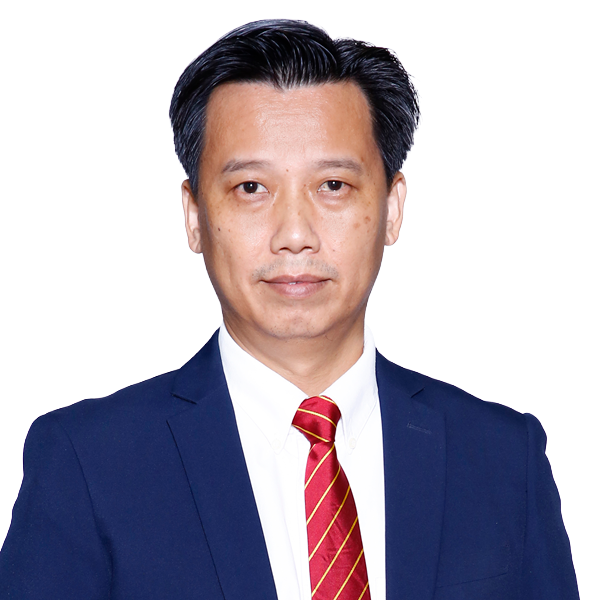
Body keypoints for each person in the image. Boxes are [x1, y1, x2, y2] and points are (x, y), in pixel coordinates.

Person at [0, 17, 578, 600]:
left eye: (333, 186)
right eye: (251, 188)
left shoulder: (504, 456)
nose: (295, 235)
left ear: (393, 207)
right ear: (193, 215)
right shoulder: (87, 462)